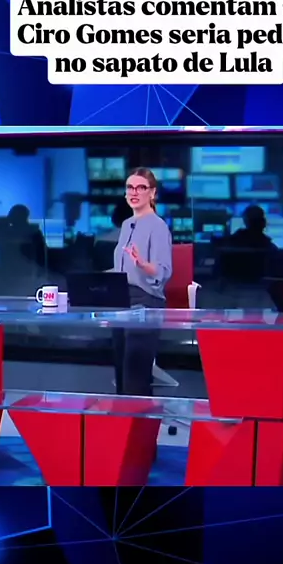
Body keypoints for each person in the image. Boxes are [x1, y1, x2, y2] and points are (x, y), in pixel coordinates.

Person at [112, 167, 172, 396]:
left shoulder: (158, 226)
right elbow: (122, 269)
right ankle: (122, 416)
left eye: (141, 187)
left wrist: (142, 264)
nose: (134, 192)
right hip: (120, 300)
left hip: (145, 302)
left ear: (152, 193)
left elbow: (163, 271)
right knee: (121, 373)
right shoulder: (127, 224)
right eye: (130, 187)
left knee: (134, 377)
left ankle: (137, 416)